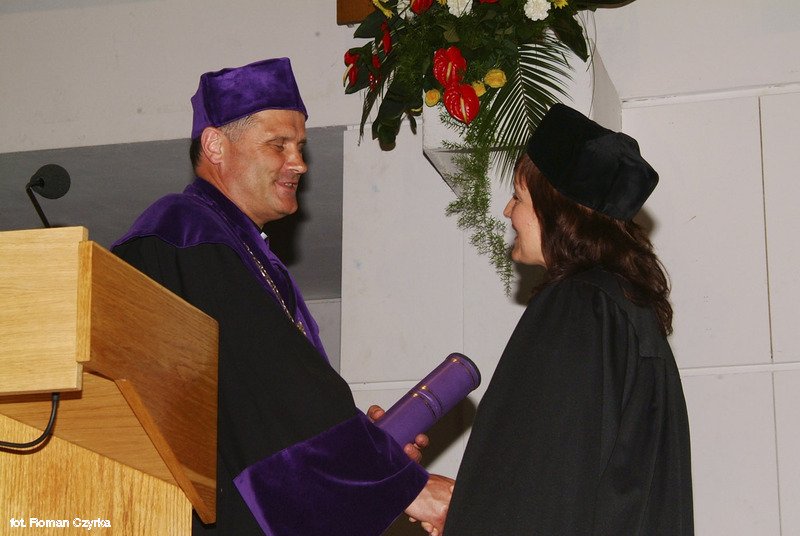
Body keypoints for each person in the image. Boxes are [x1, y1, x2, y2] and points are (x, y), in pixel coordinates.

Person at [112, 57, 452, 536]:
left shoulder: (251, 254)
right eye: (278, 145)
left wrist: (369, 444)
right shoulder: (184, 230)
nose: (299, 163)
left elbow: (262, 391)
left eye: (300, 147)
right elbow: (268, 385)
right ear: (215, 145)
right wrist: (392, 478)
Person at [444, 104, 694, 535]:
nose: (508, 211)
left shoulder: (582, 305)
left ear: (557, 210)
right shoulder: (626, 310)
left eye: (519, 197)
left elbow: (542, 484)